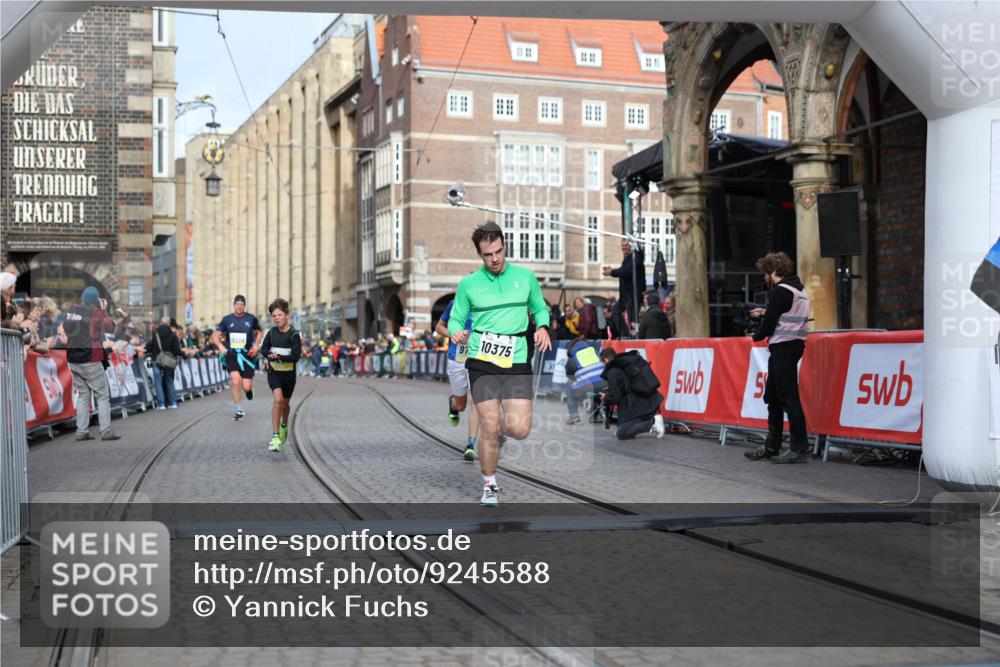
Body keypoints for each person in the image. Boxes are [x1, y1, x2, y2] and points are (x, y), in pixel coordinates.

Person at [449, 221, 551, 506]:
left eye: (498, 251)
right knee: (490, 425)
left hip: (517, 357)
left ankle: (492, 435)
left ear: (505, 246)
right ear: (479, 255)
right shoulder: (469, 284)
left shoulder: (525, 277)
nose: (494, 259)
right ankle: (490, 484)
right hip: (482, 359)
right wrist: (457, 330)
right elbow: (457, 317)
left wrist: (542, 326)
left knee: (519, 429)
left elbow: (540, 307)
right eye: (487, 255)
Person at [744, 251, 811, 464]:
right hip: (792, 346)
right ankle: (772, 445)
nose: (765, 279)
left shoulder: (780, 291)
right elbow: (783, 313)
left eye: (766, 274)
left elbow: (770, 324)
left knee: (788, 397)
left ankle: (799, 448)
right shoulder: (798, 290)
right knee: (773, 397)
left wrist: (756, 336)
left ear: (774, 272)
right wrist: (765, 312)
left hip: (783, 348)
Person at [59, 286, 120, 441]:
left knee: (83, 395)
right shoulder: (95, 313)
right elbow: (110, 326)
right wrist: (104, 310)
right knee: (102, 395)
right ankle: (105, 431)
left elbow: (65, 328)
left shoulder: (71, 311)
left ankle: (82, 431)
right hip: (90, 358)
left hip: (73, 358)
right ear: (96, 300)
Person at [436, 298, 480, 460]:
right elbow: (439, 327)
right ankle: (453, 404)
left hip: (479, 358)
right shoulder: (455, 303)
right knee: (461, 405)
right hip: (457, 358)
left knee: (477, 400)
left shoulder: (488, 303)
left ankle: (470, 444)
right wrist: (454, 335)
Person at [212, 294, 263, 421]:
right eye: (237, 304)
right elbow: (215, 335)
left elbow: (260, 331)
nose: (239, 306)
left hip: (248, 356)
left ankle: (249, 390)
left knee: (246, 386)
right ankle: (239, 410)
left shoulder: (251, 318)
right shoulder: (227, 320)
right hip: (232, 355)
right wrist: (220, 346)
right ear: (234, 305)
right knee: (235, 381)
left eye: (241, 304)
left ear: (244, 306)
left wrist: (256, 345)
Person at [260, 298, 302, 452]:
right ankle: (275, 436)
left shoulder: (294, 335)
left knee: (285, 404)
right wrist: (270, 356)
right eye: (274, 315)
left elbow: (296, 357)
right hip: (274, 373)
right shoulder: (271, 333)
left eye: (279, 315)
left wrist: (279, 356)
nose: (276, 318)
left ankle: (284, 424)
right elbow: (263, 350)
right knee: (277, 400)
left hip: (289, 375)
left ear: (286, 315)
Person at [599, 348, 665, 440]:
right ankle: (650, 422)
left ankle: (652, 424)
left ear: (605, 360)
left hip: (636, 408)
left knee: (621, 434)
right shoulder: (623, 365)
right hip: (647, 402)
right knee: (623, 429)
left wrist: (605, 398)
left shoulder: (612, 372)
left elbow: (615, 397)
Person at [602, 239, 646, 335]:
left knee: (631, 318)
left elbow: (626, 272)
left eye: (626, 245)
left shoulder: (635, 257)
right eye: (623, 246)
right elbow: (623, 270)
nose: (624, 247)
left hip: (632, 295)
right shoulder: (629, 259)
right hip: (626, 295)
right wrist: (612, 271)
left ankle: (630, 334)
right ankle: (625, 333)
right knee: (616, 311)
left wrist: (612, 272)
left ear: (631, 246)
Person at [564, 335, 607, 425]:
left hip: (589, 390)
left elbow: (569, 374)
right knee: (596, 383)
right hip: (605, 386)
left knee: (569, 385)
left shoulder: (573, 356)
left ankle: (574, 415)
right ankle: (596, 416)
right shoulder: (595, 351)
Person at [144, 315, 181, 410]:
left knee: (158, 381)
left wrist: (145, 350)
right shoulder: (172, 335)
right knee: (169, 381)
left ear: (161, 323)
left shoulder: (155, 333)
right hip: (169, 361)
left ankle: (161, 404)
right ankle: (173, 403)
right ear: (169, 324)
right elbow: (177, 350)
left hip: (156, 359)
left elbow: (149, 346)